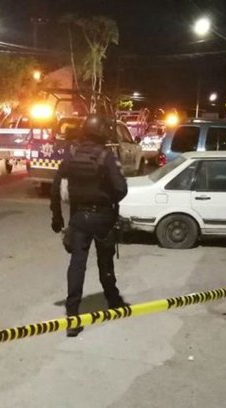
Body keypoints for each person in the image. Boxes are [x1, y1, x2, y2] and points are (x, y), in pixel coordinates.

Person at [50, 114, 129, 337]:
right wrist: (107, 199)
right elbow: (121, 189)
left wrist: (57, 216)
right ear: (102, 132)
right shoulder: (106, 156)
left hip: (78, 218)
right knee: (105, 263)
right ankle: (113, 301)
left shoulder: (73, 153)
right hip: (102, 217)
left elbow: (56, 185)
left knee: (77, 265)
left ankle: (72, 316)